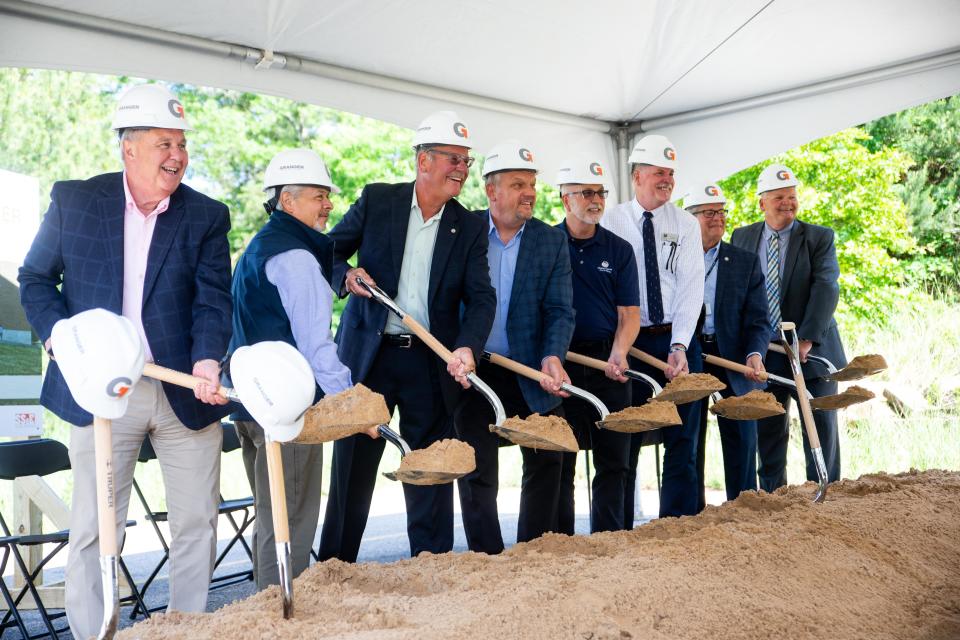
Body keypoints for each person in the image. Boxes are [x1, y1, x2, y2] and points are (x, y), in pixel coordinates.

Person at [18, 84, 232, 637]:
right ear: (128, 147)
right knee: (93, 526)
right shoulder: (76, 200)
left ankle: (184, 630)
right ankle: (95, 634)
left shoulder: (206, 215)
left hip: (183, 386)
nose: (177, 155)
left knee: (196, 524)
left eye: (182, 144)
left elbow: (213, 299)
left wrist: (208, 360)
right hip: (101, 390)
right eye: (164, 142)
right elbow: (36, 279)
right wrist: (60, 337)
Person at [317, 111, 496, 562]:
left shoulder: (470, 224)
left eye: (466, 161)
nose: (461, 169)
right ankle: (335, 567)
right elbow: (329, 251)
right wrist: (346, 275)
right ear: (423, 161)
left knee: (430, 468)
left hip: (429, 362)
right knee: (353, 467)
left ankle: (431, 564)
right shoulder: (379, 201)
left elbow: (481, 298)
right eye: (453, 159)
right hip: (370, 355)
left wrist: (467, 347)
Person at [230, 149, 378, 588]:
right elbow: (316, 346)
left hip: (252, 407)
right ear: (288, 201)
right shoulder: (296, 258)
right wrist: (352, 402)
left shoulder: (258, 248)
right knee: (289, 523)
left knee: (271, 518)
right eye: (319, 196)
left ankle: (267, 612)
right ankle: (283, 615)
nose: (329, 205)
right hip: (289, 412)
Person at [454, 140, 574, 553]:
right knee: (476, 469)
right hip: (474, 372)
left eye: (533, 185)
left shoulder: (549, 241)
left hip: (530, 369)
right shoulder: (464, 231)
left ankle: (532, 555)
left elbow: (560, 309)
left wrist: (552, 354)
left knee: (546, 458)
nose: (530, 194)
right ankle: (487, 560)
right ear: (492, 190)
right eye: (519, 184)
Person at [600, 134, 705, 519]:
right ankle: (623, 530)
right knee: (627, 438)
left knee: (683, 441)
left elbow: (692, 287)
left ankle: (675, 528)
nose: (667, 180)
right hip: (630, 342)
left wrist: (679, 346)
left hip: (676, 341)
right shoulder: (611, 220)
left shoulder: (687, 224)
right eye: (659, 172)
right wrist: (619, 345)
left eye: (671, 173)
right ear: (637, 175)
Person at [730, 164, 845, 490]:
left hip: (811, 353)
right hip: (766, 353)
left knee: (821, 428)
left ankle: (825, 495)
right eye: (779, 197)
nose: (787, 203)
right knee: (769, 431)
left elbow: (827, 287)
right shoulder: (743, 236)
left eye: (792, 197)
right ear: (761, 202)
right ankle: (773, 500)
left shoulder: (819, 237)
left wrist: (806, 338)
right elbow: (739, 292)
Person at [552, 155, 640, 533]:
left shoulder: (619, 250)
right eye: (586, 193)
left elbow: (629, 315)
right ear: (564, 199)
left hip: (608, 363)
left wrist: (619, 353)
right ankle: (561, 543)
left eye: (600, 192)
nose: (595, 200)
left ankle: (611, 541)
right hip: (559, 365)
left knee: (614, 460)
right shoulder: (546, 243)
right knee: (560, 459)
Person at [684, 183, 769, 509]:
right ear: (691, 219)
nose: (717, 219)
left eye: (721, 212)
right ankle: (693, 515)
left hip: (734, 357)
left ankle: (744, 509)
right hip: (691, 355)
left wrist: (754, 354)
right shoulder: (676, 260)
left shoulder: (744, 261)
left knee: (742, 439)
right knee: (689, 439)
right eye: (709, 213)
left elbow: (759, 319)